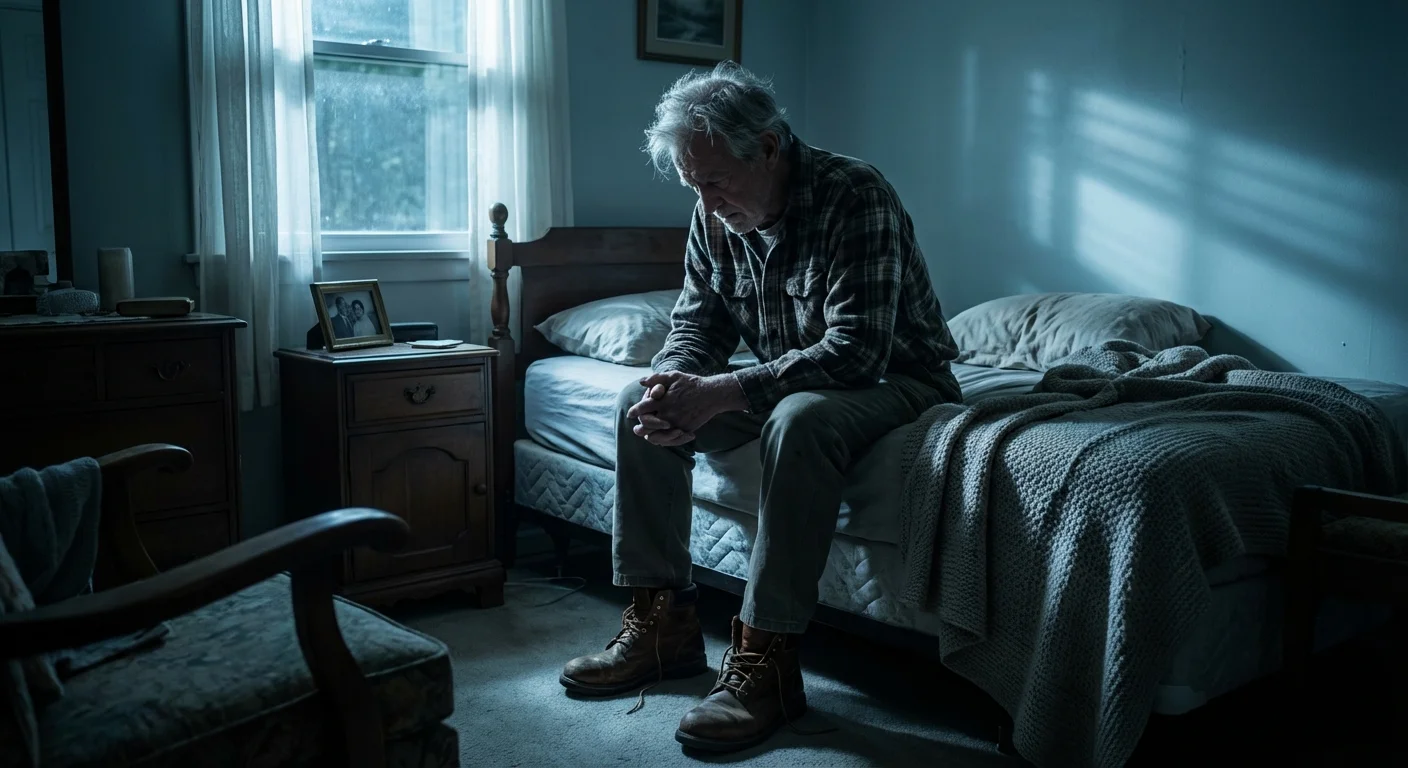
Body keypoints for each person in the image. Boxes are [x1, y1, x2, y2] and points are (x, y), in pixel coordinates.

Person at [558, 61, 963, 752]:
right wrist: (674, 382)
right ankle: (662, 626)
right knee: (637, 398)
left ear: (769, 148)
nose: (707, 202)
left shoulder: (854, 195)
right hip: (789, 374)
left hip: (898, 376)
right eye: (694, 186)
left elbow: (859, 352)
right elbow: (697, 325)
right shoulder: (711, 211)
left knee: (799, 417)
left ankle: (769, 661)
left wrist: (725, 389)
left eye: (716, 181)